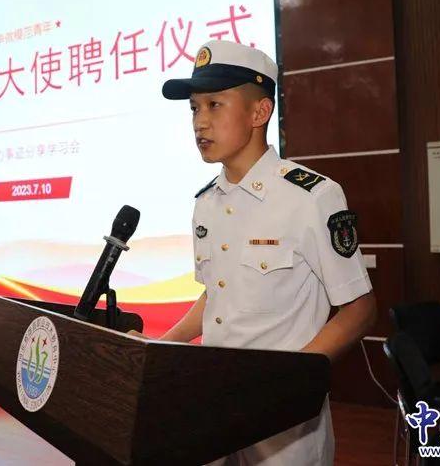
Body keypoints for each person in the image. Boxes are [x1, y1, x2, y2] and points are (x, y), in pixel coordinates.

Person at [158, 39, 377, 465]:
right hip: (213, 406)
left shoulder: (311, 196)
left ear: (259, 113)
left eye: (215, 105)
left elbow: (360, 309)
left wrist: (286, 382)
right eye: (194, 108)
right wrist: (160, 347)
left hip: (284, 425)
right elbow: (217, 295)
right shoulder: (206, 203)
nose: (200, 122)